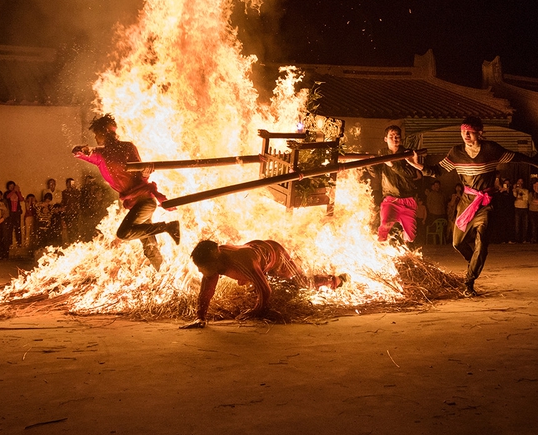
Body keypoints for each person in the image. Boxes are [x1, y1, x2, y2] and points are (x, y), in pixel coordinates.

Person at [438, 117, 538, 297]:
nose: (465, 135)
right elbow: (434, 171)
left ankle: (469, 281)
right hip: (466, 203)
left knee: (481, 243)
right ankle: (473, 261)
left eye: (470, 131)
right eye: (463, 131)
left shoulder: (491, 150)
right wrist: (414, 163)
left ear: (479, 132)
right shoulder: (456, 152)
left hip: (486, 203)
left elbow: (517, 157)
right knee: (457, 243)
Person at [73, 114, 180, 269]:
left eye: (97, 133)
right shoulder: (99, 153)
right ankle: (161, 271)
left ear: (104, 132)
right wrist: (83, 149)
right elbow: (76, 152)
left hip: (145, 201)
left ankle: (169, 227)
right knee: (150, 247)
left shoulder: (127, 147)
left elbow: (141, 173)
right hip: (136, 203)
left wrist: (145, 173)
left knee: (124, 232)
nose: (95, 138)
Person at [181, 239, 348, 328]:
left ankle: (336, 280)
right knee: (254, 287)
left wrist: (255, 311)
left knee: (303, 283)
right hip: (257, 252)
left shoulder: (242, 262)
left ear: (214, 260)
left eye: (201, 268)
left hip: (276, 256)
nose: (200, 272)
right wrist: (200, 318)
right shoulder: (213, 263)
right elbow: (206, 291)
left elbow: (266, 291)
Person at [371, 125, 435, 244]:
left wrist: (393, 165)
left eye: (397, 136)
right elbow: (377, 174)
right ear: (385, 139)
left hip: (408, 200)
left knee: (410, 236)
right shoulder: (382, 154)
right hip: (391, 199)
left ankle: (405, 253)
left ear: (401, 139)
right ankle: (381, 251)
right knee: (384, 226)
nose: (395, 139)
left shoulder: (407, 154)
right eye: (391, 136)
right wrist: (370, 164)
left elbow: (411, 173)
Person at [512, 178, 530, 243]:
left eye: (521, 181)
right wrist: (515, 189)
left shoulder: (526, 190)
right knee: (517, 224)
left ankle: (524, 239)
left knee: (525, 224)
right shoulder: (515, 190)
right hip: (517, 207)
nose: (520, 183)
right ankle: (517, 239)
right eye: (518, 181)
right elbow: (515, 196)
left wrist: (520, 197)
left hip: (524, 208)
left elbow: (526, 198)